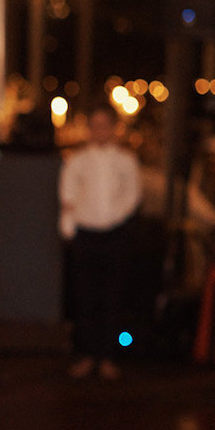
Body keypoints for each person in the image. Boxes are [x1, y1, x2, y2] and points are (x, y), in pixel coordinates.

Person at [59, 104, 142, 380]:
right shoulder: (78, 161)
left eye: (104, 125)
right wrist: (70, 227)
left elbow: (132, 194)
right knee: (84, 297)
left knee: (112, 296)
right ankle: (85, 354)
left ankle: (108, 356)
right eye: (94, 125)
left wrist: (114, 215)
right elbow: (68, 195)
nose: (99, 131)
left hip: (114, 234)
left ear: (113, 128)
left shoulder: (125, 161)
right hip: (86, 233)